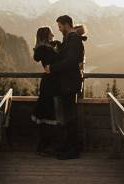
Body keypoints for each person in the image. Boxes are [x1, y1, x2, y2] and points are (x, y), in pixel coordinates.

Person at [45, 15, 85, 160]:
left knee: (70, 117)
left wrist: (52, 68)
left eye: (60, 26)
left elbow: (70, 61)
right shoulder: (70, 38)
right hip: (68, 82)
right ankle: (70, 145)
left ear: (67, 25)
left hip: (70, 83)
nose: (59, 29)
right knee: (69, 116)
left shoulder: (73, 39)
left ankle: (73, 149)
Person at [31, 26, 63, 155]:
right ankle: (45, 147)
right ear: (46, 35)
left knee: (47, 113)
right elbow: (55, 62)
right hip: (51, 84)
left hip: (49, 83)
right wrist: (58, 48)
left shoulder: (44, 49)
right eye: (51, 33)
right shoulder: (46, 50)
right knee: (49, 113)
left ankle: (44, 146)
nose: (53, 34)